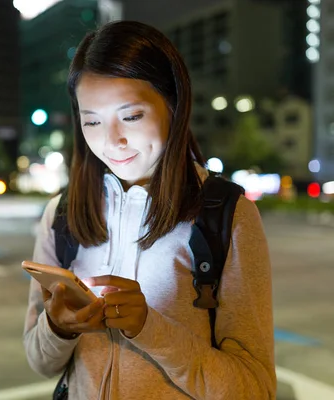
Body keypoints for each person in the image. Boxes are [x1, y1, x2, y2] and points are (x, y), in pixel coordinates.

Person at [23, 20, 276, 399]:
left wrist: (150, 328)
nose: (112, 141)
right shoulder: (62, 213)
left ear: (173, 105)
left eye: (132, 116)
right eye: (91, 120)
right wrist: (58, 328)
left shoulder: (226, 215)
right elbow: (40, 361)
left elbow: (253, 388)